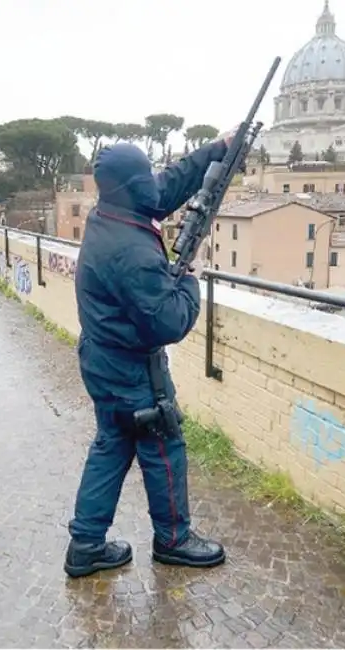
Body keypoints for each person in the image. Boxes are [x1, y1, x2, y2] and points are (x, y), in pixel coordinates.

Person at [64, 136, 231, 578]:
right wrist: (189, 280)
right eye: (145, 178)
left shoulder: (113, 213)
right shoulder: (131, 252)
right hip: (130, 368)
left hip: (102, 357)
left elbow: (163, 189)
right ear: (130, 185)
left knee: (112, 444)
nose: (152, 187)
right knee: (163, 443)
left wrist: (217, 148)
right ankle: (173, 540)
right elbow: (170, 322)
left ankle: (86, 545)